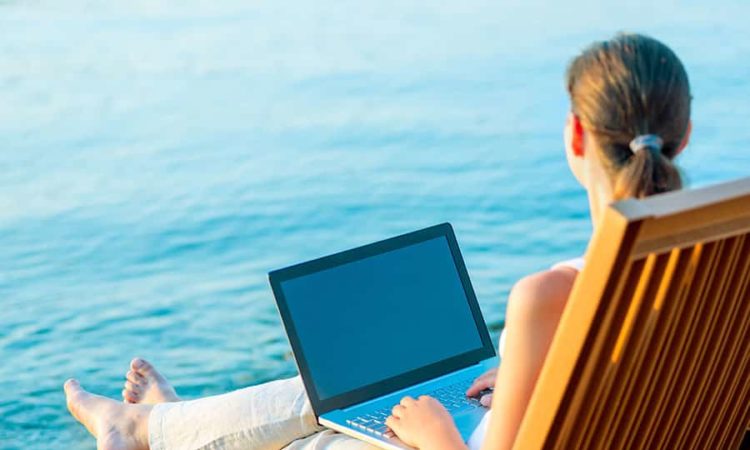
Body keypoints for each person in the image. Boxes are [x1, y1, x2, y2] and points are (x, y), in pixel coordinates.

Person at [64, 32, 692, 450]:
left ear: (576, 137)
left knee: (330, 434)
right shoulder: (710, 262)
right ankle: (158, 423)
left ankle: (150, 428)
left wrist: (436, 432)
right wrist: (534, 368)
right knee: (351, 405)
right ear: (684, 134)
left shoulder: (552, 293)